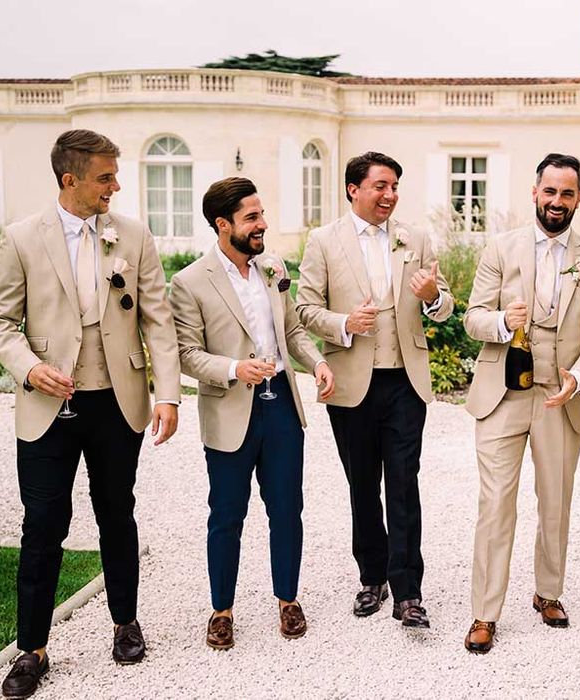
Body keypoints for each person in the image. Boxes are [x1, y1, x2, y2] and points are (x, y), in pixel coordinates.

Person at [0, 129, 180, 698]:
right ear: (70, 180)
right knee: (42, 524)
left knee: (117, 511)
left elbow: (158, 321)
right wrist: (28, 368)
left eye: (115, 176)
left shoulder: (133, 236)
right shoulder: (21, 239)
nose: (115, 186)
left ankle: (125, 623)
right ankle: (32, 649)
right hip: (49, 404)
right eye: (105, 177)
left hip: (117, 400)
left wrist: (166, 393)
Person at [170, 177, 334, 650]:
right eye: (252, 218)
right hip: (229, 411)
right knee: (226, 515)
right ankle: (221, 610)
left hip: (281, 405)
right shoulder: (189, 282)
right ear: (223, 225)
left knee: (288, 509)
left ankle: (288, 599)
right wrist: (234, 368)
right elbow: (186, 353)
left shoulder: (273, 267)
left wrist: (318, 362)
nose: (262, 225)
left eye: (261, 214)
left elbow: (292, 330)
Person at [462, 153, 580, 654]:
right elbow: (472, 319)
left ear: (578, 199)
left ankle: (548, 593)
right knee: (495, 505)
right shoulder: (501, 248)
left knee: (555, 502)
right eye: (549, 191)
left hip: (559, 397)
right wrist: (504, 321)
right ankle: (485, 613)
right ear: (535, 192)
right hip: (502, 395)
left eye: (566, 193)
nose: (556, 202)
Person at [296, 151, 454, 629]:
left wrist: (432, 298)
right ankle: (372, 576)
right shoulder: (323, 242)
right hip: (351, 382)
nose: (390, 196)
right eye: (381, 186)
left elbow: (444, 307)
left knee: (404, 483)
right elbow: (304, 310)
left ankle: (408, 591)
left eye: (394, 187)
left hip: (405, 379)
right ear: (354, 189)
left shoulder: (416, 238)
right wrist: (344, 322)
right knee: (362, 484)